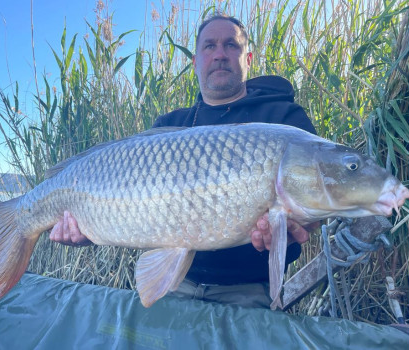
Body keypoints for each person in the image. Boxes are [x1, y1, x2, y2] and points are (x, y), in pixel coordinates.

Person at [49, 14, 318, 308]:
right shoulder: (169, 126)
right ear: (195, 62)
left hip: (250, 291)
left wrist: (299, 227)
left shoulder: (284, 121)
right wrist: (90, 228)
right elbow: (128, 207)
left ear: (248, 58)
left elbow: (314, 205)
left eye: (231, 45)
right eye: (209, 46)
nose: (219, 54)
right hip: (176, 284)